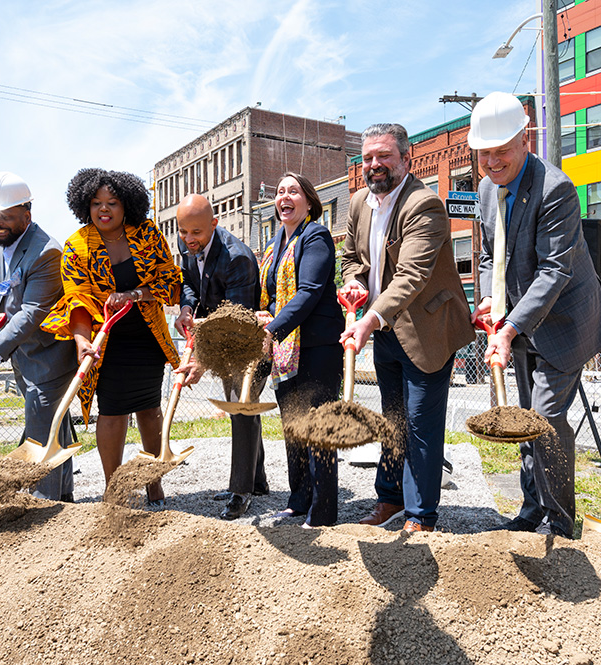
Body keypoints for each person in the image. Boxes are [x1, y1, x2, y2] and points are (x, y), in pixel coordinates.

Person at [470, 92, 601, 538]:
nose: (492, 162)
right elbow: (492, 255)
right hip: (520, 322)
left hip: (564, 325)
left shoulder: (556, 189)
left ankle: (560, 522)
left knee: (545, 418)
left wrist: (510, 327)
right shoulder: (486, 190)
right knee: (523, 419)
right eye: (484, 153)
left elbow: (555, 270)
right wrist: (490, 298)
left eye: (501, 151)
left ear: (525, 138)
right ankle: (532, 507)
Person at [340, 124, 474, 534]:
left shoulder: (425, 205)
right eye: (368, 158)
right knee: (392, 419)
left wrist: (368, 319)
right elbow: (349, 258)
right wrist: (354, 282)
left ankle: (421, 515)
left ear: (406, 157)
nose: (375, 165)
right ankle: (390, 498)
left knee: (420, 423)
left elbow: (411, 276)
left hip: (427, 329)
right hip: (384, 330)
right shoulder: (360, 203)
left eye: (384, 157)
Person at [41, 168, 182, 506]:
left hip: (146, 337)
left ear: (126, 205)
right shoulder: (77, 246)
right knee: (112, 411)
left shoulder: (147, 234)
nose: (104, 210)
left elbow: (170, 282)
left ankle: (154, 484)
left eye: (112, 203)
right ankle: (114, 489)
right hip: (106, 342)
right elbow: (77, 298)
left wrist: (135, 295)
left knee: (149, 409)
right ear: (84, 206)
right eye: (96, 203)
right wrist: (80, 340)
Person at [0, 171, 78, 502]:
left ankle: (45, 506)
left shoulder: (46, 252)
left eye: (6, 216)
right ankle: (65, 499)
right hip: (22, 355)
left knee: (43, 425)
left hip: (50, 355)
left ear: (26, 214)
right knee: (54, 425)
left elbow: (33, 313)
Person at [173, 193, 269, 520]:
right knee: (243, 409)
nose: (189, 240)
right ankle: (257, 481)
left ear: (214, 224)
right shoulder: (190, 247)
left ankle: (241, 491)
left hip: (247, 343)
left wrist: (200, 360)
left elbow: (234, 322)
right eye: (183, 232)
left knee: (240, 407)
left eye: (196, 233)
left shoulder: (235, 258)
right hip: (220, 336)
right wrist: (187, 308)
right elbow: (188, 282)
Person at [259, 172, 343, 528]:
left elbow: (307, 291)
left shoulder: (316, 235)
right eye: (280, 192)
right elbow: (273, 294)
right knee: (293, 427)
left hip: (317, 348)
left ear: (309, 201)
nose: (285, 197)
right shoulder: (275, 242)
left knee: (318, 429)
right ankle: (298, 501)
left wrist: (273, 328)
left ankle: (323, 511)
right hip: (286, 352)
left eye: (293, 191)